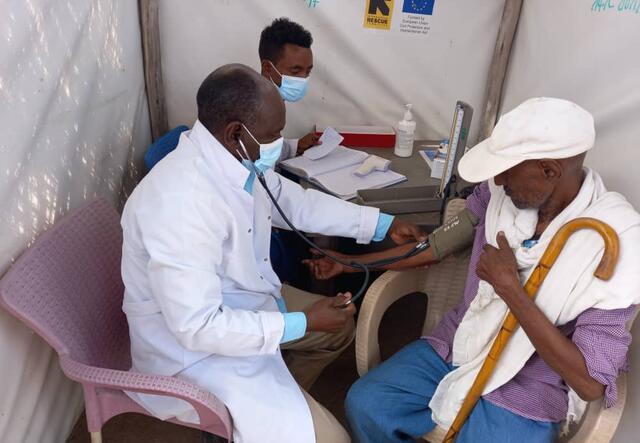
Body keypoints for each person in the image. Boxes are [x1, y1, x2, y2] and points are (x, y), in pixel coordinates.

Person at [305, 98, 640, 442]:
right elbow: (435, 247)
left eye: (507, 169)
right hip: (460, 343)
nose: (498, 179)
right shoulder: (497, 195)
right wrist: (351, 264)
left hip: (532, 378)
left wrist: (511, 290)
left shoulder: (615, 241)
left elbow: (589, 384)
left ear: (549, 170)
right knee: (367, 403)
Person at [120, 64, 425, 443]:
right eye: (274, 135)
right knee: (334, 440)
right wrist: (301, 323)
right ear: (235, 132)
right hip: (194, 356)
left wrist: (381, 224)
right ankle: (256, 417)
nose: (280, 144)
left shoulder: (233, 161)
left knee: (339, 330)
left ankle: (265, 416)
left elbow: (296, 202)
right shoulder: (180, 203)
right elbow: (198, 328)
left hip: (241, 305)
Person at [259, 17, 321, 159]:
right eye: (295, 71)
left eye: (308, 71)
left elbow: (267, 150)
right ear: (267, 68)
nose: (303, 78)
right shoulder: (247, 109)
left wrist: (297, 146)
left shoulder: (274, 100)